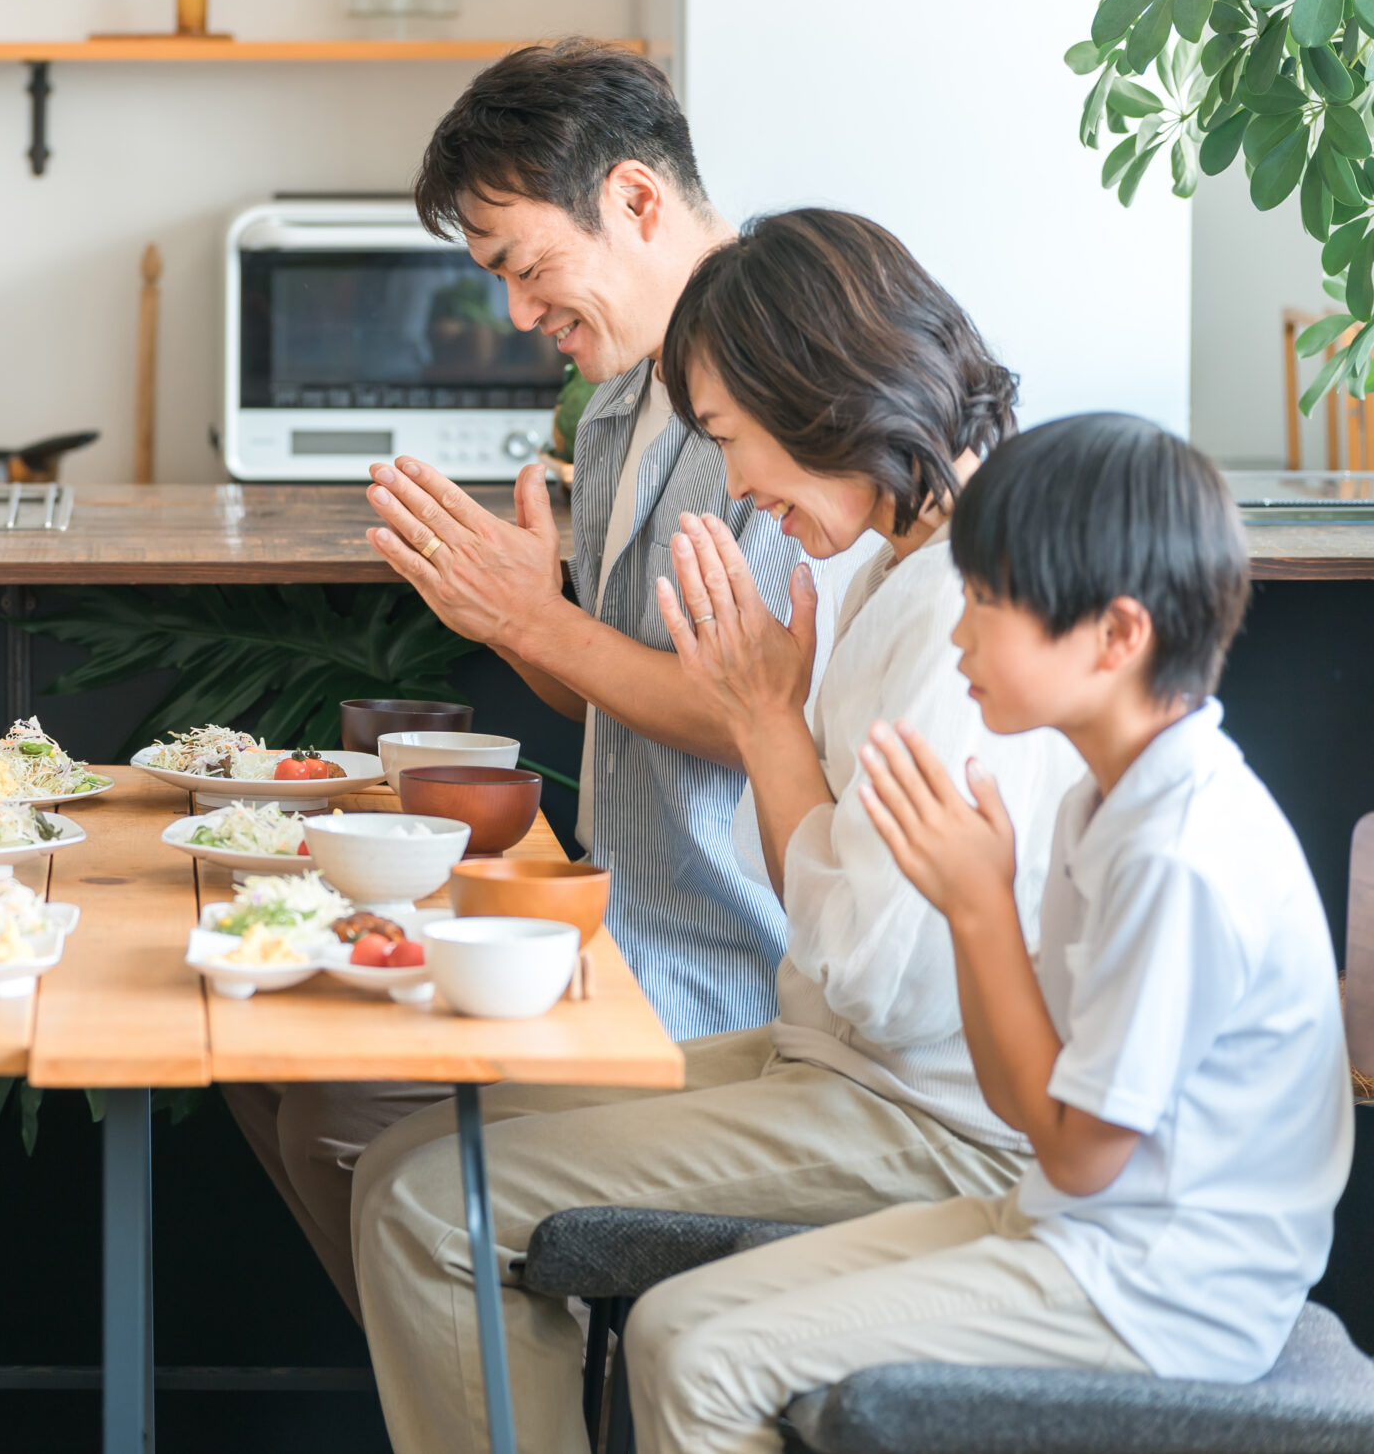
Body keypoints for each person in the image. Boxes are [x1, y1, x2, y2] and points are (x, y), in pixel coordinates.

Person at [352, 211, 1083, 1454]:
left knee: (435, 1206)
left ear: (825, 393)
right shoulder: (903, 571)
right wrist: (769, 721)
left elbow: (875, 983)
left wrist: (765, 726)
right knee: (400, 1169)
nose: (736, 486)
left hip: (929, 1119)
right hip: (847, 1069)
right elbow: (847, 935)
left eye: (737, 443)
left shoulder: (961, 611)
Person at [224, 39, 833, 1312]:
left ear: (635, 202)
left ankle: (518, 1379)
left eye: (526, 266)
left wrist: (538, 624)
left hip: (722, 978)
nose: (515, 313)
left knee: (340, 1115)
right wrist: (517, 617)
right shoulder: (614, 406)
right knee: (272, 1074)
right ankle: (509, 1376)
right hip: (609, 939)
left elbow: (757, 723)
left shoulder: (785, 388)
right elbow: (612, 693)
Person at [627, 413, 1350, 1453]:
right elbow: (1032, 1108)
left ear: (1116, 634)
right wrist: (978, 898)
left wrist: (975, 905)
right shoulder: (1101, 805)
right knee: (669, 1323)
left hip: (1157, 1291)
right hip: (1067, 1226)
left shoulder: (1179, 852)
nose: (957, 633)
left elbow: (1078, 1152)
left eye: (988, 603)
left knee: (708, 1365)